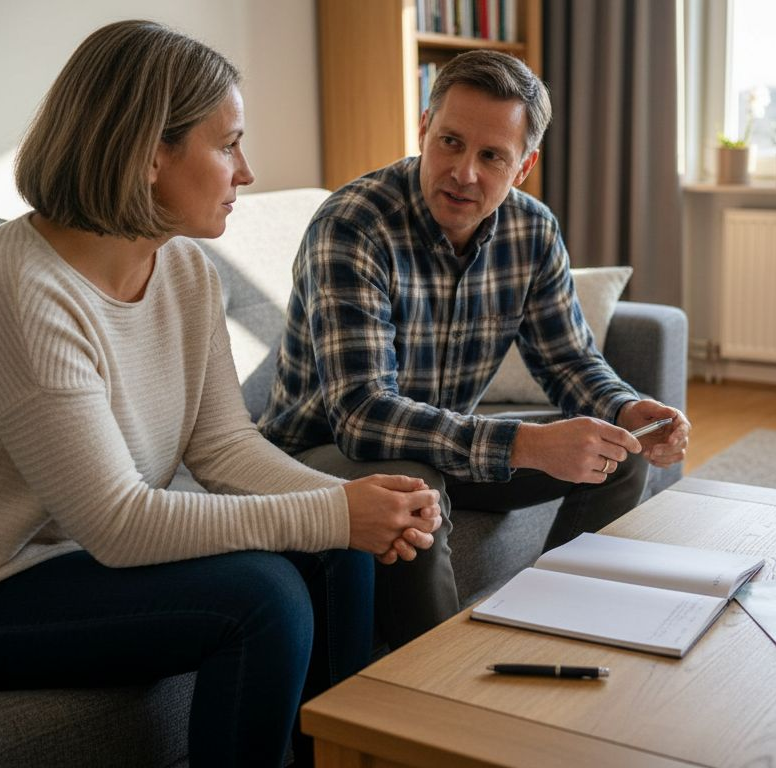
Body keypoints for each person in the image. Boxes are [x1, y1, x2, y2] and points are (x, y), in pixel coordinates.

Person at [0, 20, 441, 767]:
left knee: (343, 555)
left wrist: (358, 511)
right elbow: (119, 523)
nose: (248, 171)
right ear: (148, 154)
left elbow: (222, 445)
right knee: (264, 594)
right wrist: (334, 509)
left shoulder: (184, 271)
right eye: (227, 142)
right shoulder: (17, 291)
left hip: (53, 559)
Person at [259, 50, 690, 648]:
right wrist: (526, 443)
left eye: (491, 156)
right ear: (424, 131)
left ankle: (557, 626)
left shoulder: (532, 230)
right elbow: (360, 415)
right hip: (318, 454)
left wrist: (624, 408)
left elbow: (567, 359)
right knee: (414, 487)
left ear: (524, 165)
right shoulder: (354, 224)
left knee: (619, 450)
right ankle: (439, 684)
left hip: (442, 447)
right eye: (450, 143)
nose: (463, 172)